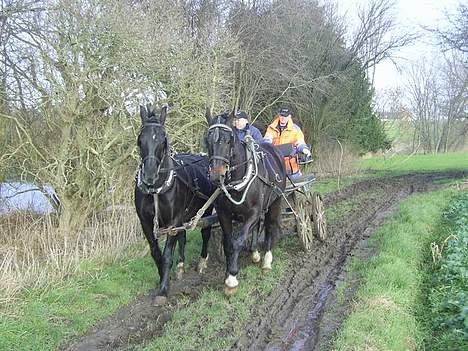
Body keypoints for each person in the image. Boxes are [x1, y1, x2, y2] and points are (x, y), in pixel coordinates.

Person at [264, 106, 311, 177]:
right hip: (275, 163)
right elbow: (267, 141)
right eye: (282, 115)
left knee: (296, 184)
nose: (283, 118)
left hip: (291, 164)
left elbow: (300, 142)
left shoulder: (295, 129)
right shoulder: (271, 128)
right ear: (279, 115)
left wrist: (305, 150)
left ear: (289, 116)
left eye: (285, 116)